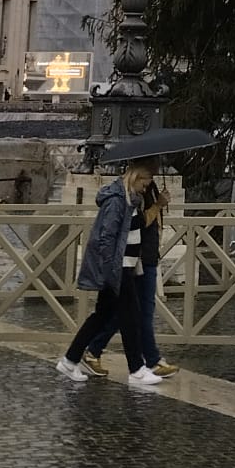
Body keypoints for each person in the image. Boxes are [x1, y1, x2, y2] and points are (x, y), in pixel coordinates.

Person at [56, 160, 174, 390]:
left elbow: (137, 226)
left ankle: (70, 360)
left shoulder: (130, 201)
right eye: (145, 182)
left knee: (101, 317)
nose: (146, 186)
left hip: (126, 266)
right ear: (136, 178)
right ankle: (136, 370)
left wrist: (156, 205)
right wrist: (112, 270)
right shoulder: (117, 201)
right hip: (118, 269)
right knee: (130, 317)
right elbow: (107, 238)